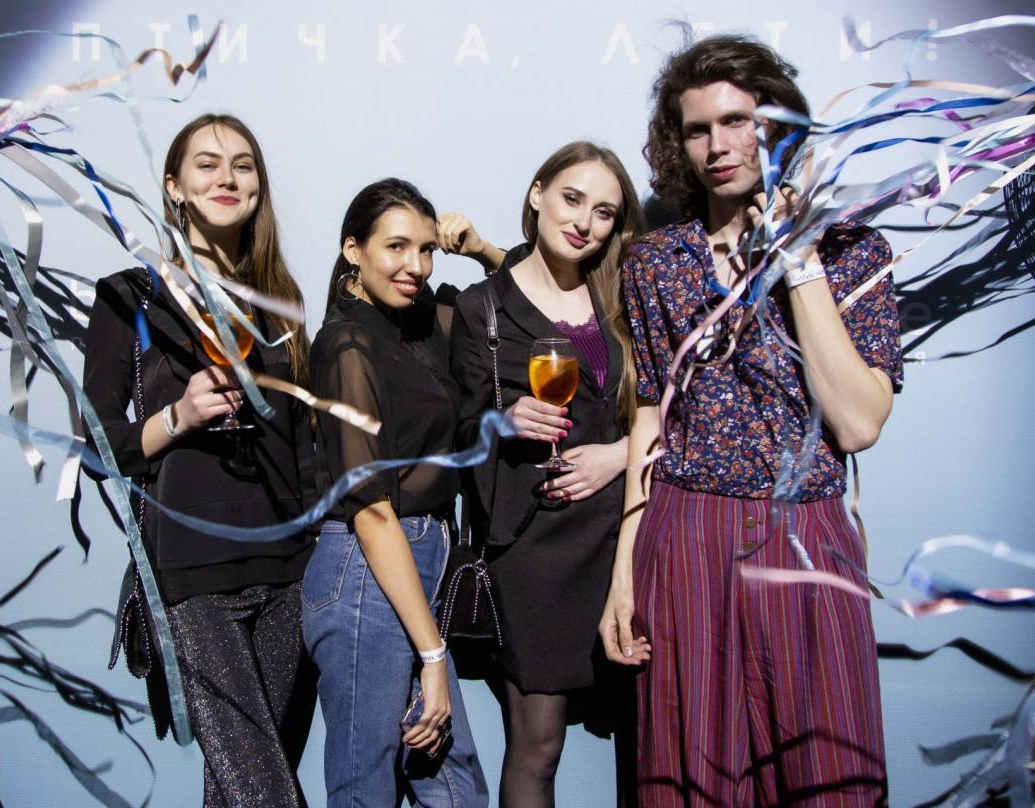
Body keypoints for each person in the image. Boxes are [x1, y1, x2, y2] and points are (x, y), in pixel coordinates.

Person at [601, 36, 902, 805]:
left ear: (776, 126)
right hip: (686, 535)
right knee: (690, 777)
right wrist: (624, 571)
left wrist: (797, 260)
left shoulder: (854, 253)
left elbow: (857, 425)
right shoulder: (656, 263)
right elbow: (651, 418)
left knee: (831, 776)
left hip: (806, 536)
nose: (718, 146)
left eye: (737, 121)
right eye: (697, 130)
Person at [83, 114, 316, 807]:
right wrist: (178, 417)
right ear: (174, 187)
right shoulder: (130, 297)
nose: (227, 178)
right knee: (263, 790)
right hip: (191, 576)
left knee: (238, 791)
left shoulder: (279, 304)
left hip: (290, 574)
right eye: (207, 164)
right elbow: (94, 444)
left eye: (243, 165)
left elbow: (305, 449)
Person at [448, 141, 643, 808]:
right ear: (537, 194)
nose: (584, 221)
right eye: (571, 198)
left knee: (649, 737)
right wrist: (504, 420)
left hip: (629, 539)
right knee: (537, 748)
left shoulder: (624, 297)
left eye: (604, 212)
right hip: (537, 553)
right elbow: (460, 430)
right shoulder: (483, 307)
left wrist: (619, 455)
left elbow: (670, 409)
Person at [301, 178, 488, 807]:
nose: (416, 266)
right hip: (366, 570)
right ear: (353, 250)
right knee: (366, 788)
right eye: (397, 247)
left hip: (414, 567)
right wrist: (432, 655)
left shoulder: (420, 321)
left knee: (457, 789)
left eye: (426, 250)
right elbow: (371, 513)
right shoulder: (347, 345)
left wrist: (482, 249)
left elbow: (520, 301)